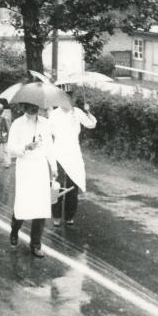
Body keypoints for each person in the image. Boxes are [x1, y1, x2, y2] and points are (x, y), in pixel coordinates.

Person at [7, 102, 59, 258]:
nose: (34, 108)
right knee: (23, 204)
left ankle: (35, 244)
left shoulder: (45, 123)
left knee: (41, 206)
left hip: (40, 167)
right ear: (24, 107)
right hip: (25, 166)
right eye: (30, 106)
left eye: (36, 105)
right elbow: (10, 149)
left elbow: (49, 147)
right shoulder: (17, 124)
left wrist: (54, 167)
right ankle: (15, 230)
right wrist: (25, 147)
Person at [50, 89, 97, 227]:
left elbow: (91, 124)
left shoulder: (77, 112)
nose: (69, 102)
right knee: (56, 185)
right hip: (58, 150)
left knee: (73, 183)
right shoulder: (54, 114)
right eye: (66, 99)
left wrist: (88, 112)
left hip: (73, 151)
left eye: (71, 99)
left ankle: (69, 216)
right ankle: (56, 216)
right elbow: (49, 132)